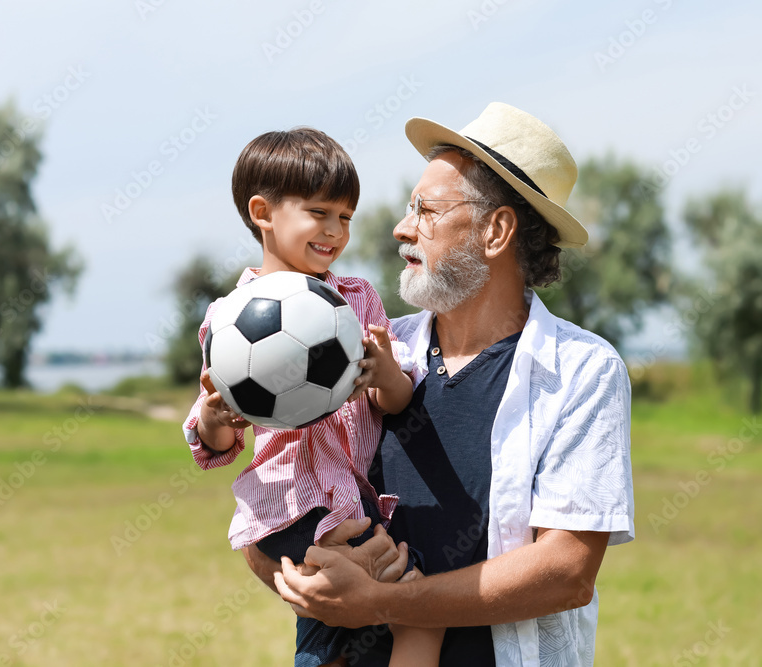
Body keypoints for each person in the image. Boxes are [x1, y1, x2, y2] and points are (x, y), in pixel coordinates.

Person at [269, 103, 636, 666]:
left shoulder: (584, 370)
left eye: (426, 209)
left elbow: (565, 573)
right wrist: (298, 575)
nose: (401, 227)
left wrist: (383, 603)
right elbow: (282, 495)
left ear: (496, 230)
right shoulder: (368, 348)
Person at [181, 127, 444, 667]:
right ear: (263, 212)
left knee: (377, 614)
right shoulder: (229, 319)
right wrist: (213, 416)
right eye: (319, 212)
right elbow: (217, 443)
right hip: (291, 508)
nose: (334, 231)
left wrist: (387, 374)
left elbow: (393, 402)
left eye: (345, 217)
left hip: (356, 496)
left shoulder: (356, 299)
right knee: (391, 596)